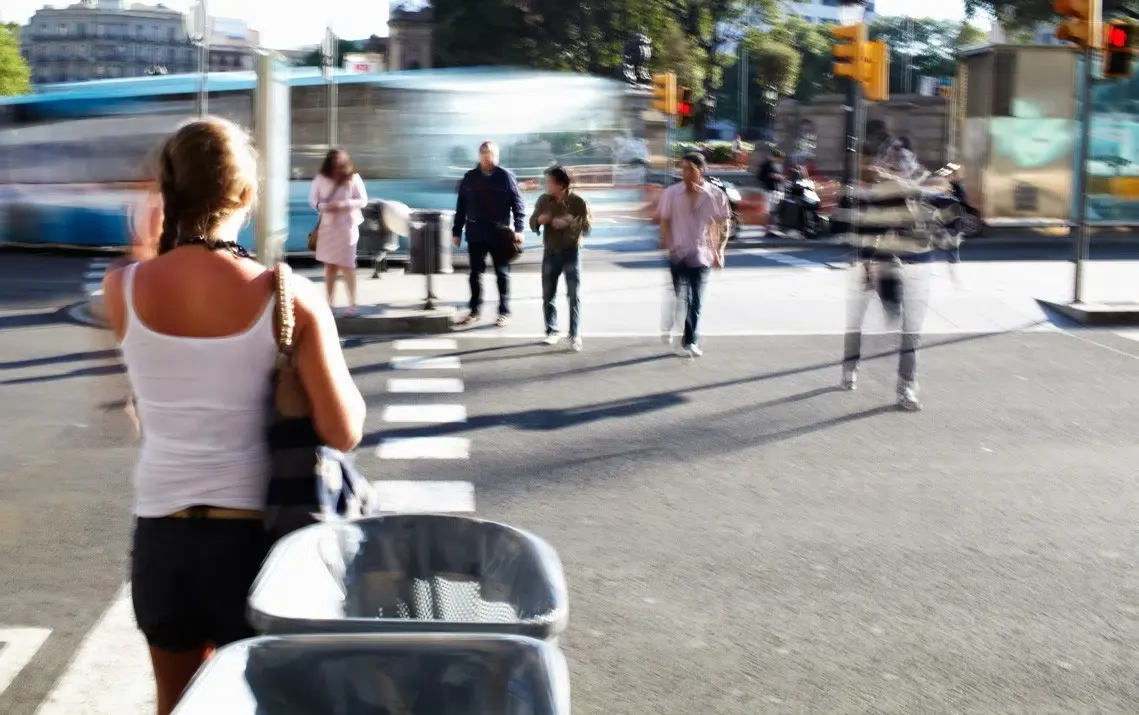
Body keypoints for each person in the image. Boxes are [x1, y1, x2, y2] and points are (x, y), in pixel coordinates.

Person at [101, 117, 365, 715]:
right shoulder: (286, 294)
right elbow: (342, 430)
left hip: (162, 537)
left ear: (171, 191)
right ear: (246, 194)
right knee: (261, 702)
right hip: (253, 541)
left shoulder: (124, 290)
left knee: (176, 704)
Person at [836, 174, 959, 411]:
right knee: (857, 321)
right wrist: (866, 267)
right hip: (878, 270)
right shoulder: (877, 210)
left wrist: (950, 256)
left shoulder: (922, 210)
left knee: (910, 331)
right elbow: (863, 241)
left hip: (913, 274)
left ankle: (905, 387)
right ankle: (851, 368)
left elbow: (945, 234)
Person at [656, 152, 731, 358]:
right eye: (683, 169)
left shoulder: (715, 195)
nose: (686, 173)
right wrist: (668, 243)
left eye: (690, 169)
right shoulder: (671, 194)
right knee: (678, 296)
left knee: (694, 299)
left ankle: (690, 340)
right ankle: (671, 322)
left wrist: (719, 251)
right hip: (678, 252)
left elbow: (722, 224)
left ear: (701, 171)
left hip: (701, 255)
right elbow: (664, 220)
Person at [452, 140, 526, 327]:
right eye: (484, 153)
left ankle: (504, 312)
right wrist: (456, 231)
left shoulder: (505, 176)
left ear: (497, 156)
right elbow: (461, 207)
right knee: (475, 275)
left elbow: (518, 204)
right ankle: (474, 311)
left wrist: (519, 229)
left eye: (490, 153)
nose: (487, 157)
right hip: (476, 233)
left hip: (499, 234)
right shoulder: (470, 177)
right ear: (479, 155)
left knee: (502, 274)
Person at [530, 165, 592, 351]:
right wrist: (538, 221)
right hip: (550, 252)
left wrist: (569, 222)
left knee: (573, 294)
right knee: (548, 294)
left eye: (549, 181)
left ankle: (574, 334)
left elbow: (587, 227)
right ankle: (551, 330)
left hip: (571, 252)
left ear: (561, 184)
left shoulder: (578, 202)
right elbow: (532, 222)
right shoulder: (543, 200)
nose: (546, 185)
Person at [310, 148, 368, 316]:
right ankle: (329, 303)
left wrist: (345, 205)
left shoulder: (353, 177)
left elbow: (363, 200)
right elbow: (313, 201)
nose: (338, 166)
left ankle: (353, 305)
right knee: (330, 266)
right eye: (335, 162)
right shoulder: (320, 178)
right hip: (328, 228)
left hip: (348, 227)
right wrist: (324, 206)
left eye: (341, 162)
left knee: (348, 265)